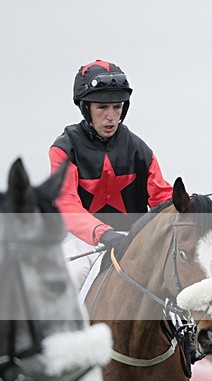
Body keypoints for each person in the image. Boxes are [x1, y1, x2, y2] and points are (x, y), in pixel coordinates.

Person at [51, 60, 173, 287]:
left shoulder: (139, 149)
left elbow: (162, 197)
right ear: (86, 108)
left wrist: (189, 207)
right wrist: (102, 234)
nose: (111, 117)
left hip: (132, 238)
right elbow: (67, 205)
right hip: (84, 242)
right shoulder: (64, 149)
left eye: (117, 107)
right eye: (102, 108)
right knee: (71, 275)